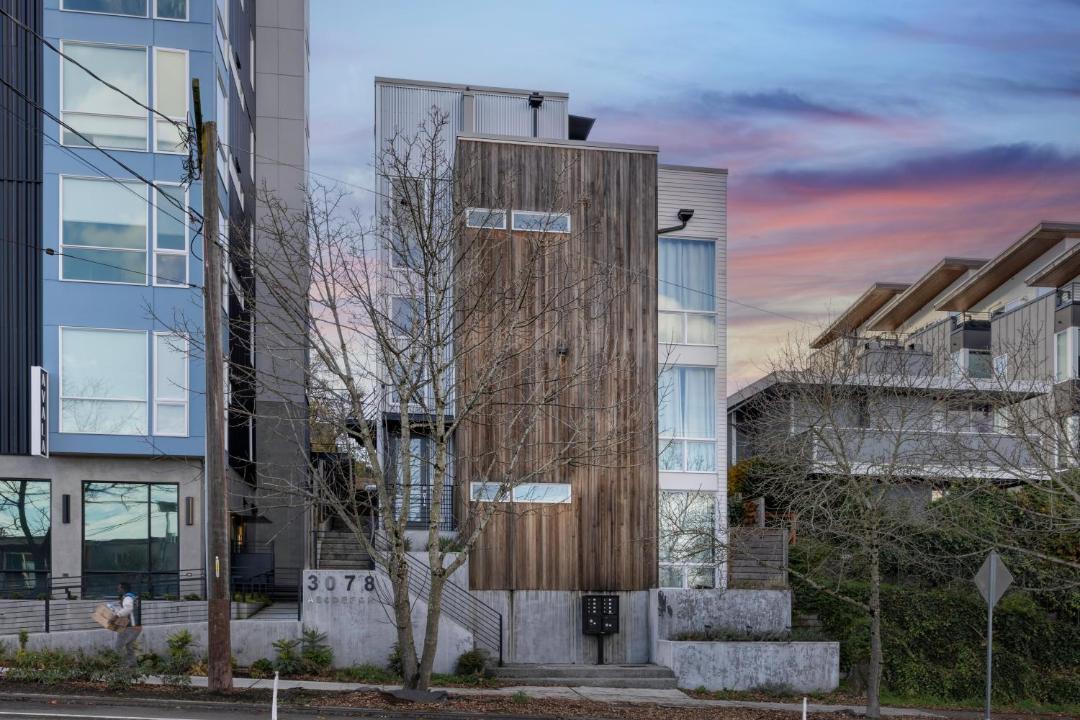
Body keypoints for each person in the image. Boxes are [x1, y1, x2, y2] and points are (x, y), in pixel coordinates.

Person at [113, 582, 142, 667]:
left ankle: (121, 667)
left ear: (123, 589)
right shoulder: (133, 597)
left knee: (119, 647)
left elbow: (128, 608)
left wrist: (116, 615)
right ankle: (132, 666)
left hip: (129, 626)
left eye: (119, 588)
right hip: (136, 625)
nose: (117, 590)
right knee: (129, 646)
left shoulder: (127, 597)